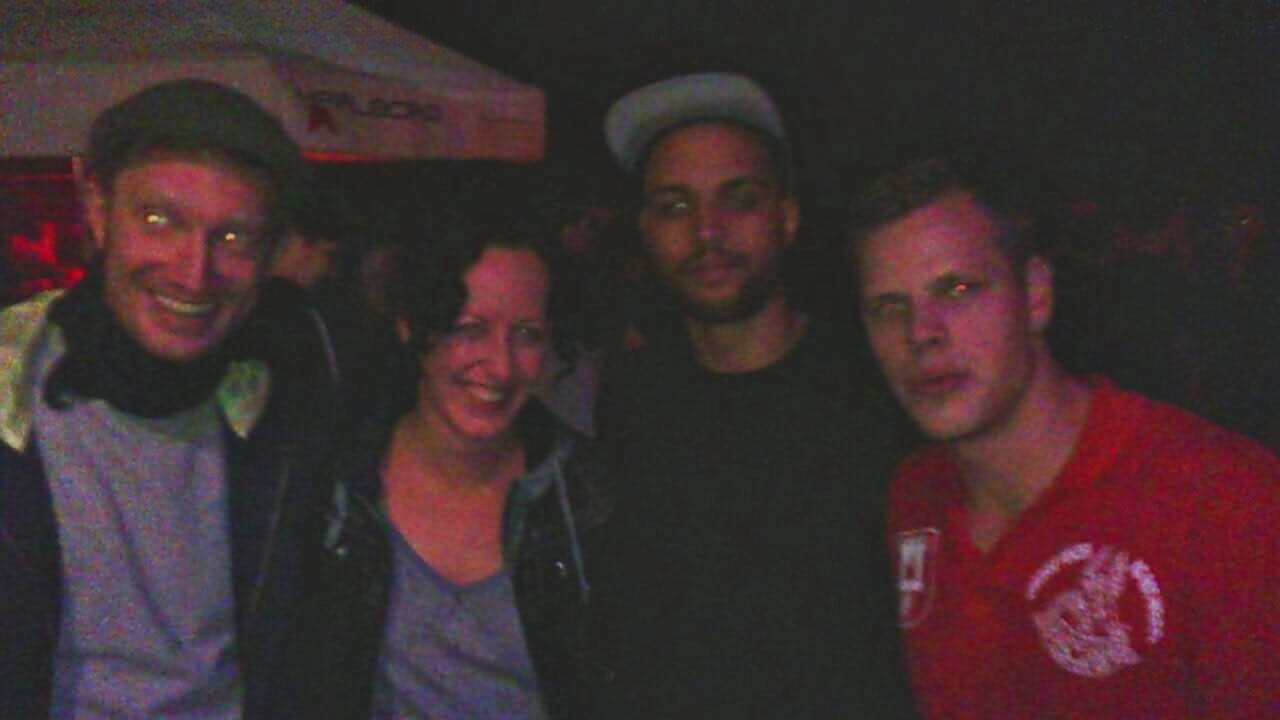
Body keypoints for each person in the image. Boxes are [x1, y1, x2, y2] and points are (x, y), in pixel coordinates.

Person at [847, 154, 1280, 719]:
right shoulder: (915, 499)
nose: (921, 333)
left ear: (1036, 294)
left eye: (957, 289)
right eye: (888, 307)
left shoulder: (1224, 502)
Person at [586, 72, 918, 717]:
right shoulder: (633, 396)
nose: (706, 231)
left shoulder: (878, 389)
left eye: (738, 199)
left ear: (786, 218)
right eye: (675, 207)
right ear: (646, 230)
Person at [0, 79, 335, 717]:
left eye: (232, 238)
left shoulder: (288, 400)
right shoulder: (9, 391)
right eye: (160, 221)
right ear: (98, 210)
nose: (193, 271)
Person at [306, 213, 608, 719]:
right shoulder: (333, 485)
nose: (500, 366)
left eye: (527, 334)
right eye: (470, 328)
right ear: (410, 324)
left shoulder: (588, 495)